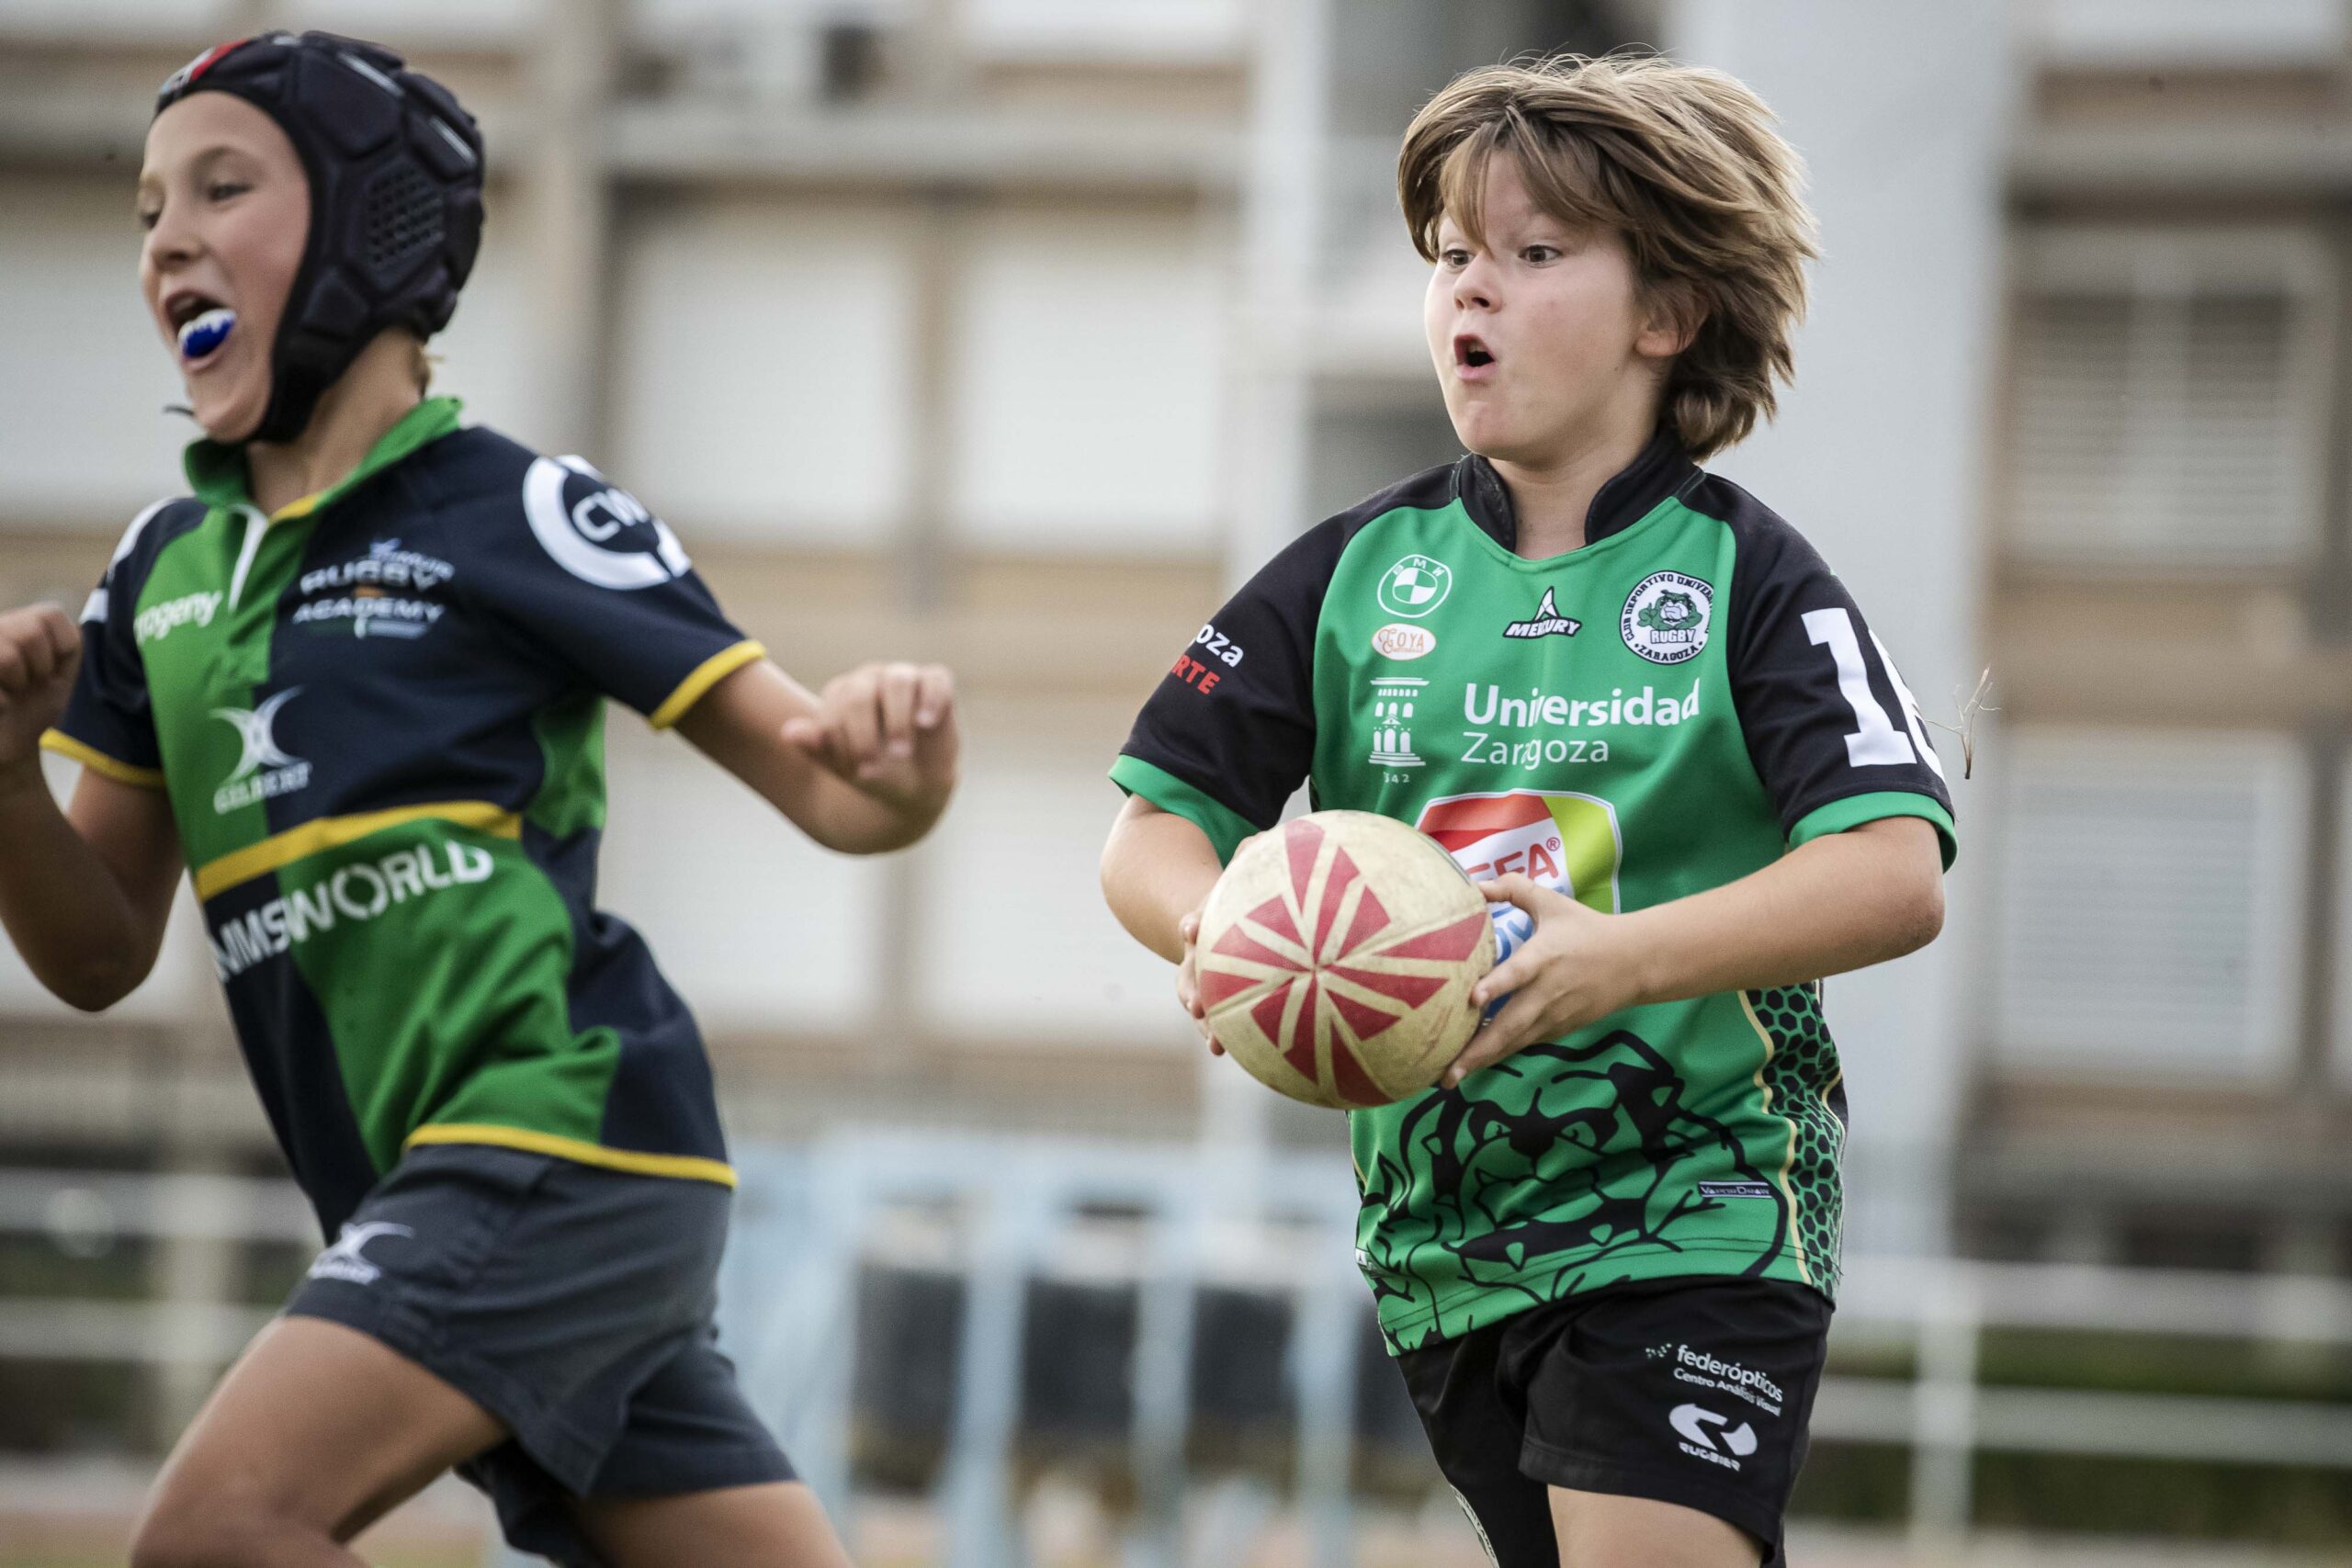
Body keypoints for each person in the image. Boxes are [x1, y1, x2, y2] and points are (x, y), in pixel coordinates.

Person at [0, 31, 957, 1568]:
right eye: (143, 213)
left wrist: (898, 777)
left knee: (219, 1535)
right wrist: (4, 777)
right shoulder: (153, 579)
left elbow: (834, 793)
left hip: (557, 1139)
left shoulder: (513, 509)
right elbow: (99, 951)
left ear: (371, 228)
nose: (167, 237)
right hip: (468, 1192)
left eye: (222, 186)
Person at [1101, 54, 1953, 1568]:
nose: (1467, 294)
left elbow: (1893, 873)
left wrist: (1620, 961)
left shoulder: (1752, 582)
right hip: (1449, 1237)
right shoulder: (1356, 574)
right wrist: (1223, 932)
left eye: (1532, 255)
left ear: (1665, 314)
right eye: (1448, 258)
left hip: (1704, 1200)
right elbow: (1152, 831)